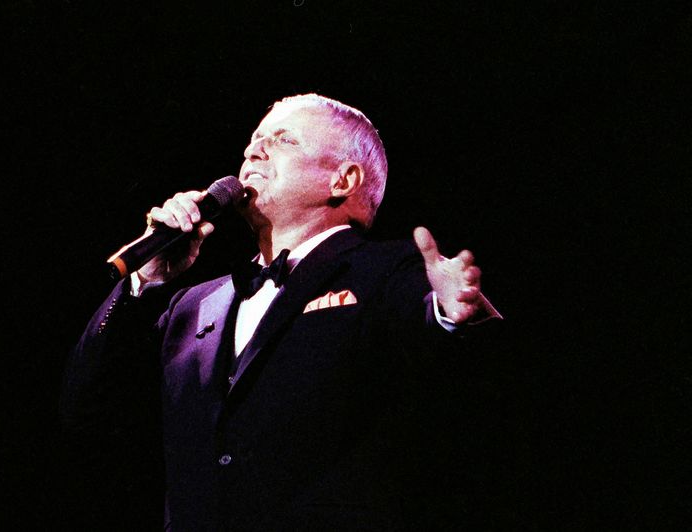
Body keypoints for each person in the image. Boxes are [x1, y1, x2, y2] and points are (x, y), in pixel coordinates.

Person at [61, 94, 501, 530]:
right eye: (254, 140)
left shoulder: (388, 271)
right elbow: (87, 408)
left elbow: (472, 388)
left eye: (283, 140)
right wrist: (144, 283)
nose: (255, 150)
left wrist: (452, 317)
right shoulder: (192, 305)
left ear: (343, 181)